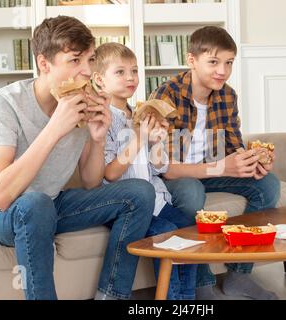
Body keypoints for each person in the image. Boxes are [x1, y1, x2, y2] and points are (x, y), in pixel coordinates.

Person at [0, 16, 155, 300]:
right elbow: (0, 196)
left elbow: (92, 182)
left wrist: (97, 137)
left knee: (140, 192)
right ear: (45, 63)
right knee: (35, 202)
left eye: (90, 60)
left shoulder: (85, 101)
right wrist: (55, 127)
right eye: (75, 60)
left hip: (51, 203)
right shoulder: (6, 103)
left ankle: (112, 295)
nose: (87, 71)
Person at [151, 26, 281, 300]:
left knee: (267, 184)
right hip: (177, 178)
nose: (222, 70)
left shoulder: (227, 95)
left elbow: (234, 146)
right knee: (190, 191)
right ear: (192, 60)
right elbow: (166, 167)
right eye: (213, 62)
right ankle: (202, 285)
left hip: (212, 171)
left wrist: (252, 161)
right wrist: (221, 167)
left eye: (229, 63)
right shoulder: (167, 95)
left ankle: (239, 276)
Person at [93, 42, 198, 300]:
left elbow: (160, 167)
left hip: (158, 200)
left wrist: (157, 140)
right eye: (120, 72)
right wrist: (140, 137)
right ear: (99, 80)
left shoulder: (141, 113)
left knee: (191, 233)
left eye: (135, 71)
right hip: (127, 206)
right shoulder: (102, 118)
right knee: (166, 235)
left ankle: (187, 300)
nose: (131, 77)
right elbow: (110, 173)